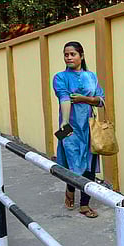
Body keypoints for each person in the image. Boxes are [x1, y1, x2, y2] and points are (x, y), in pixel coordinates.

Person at [52, 41, 104, 218]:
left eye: (72, 54)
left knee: (89, 164)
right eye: (66, 54)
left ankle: (84, 204)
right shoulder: (60, 77)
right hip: (69, 128)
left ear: (81, 56)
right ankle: (70, 187)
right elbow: (64, 98)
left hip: (89, 127)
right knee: (72, 162)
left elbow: (100, 100)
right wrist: (65, 122)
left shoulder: (91, 76)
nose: (69, 58)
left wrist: (85, 99)